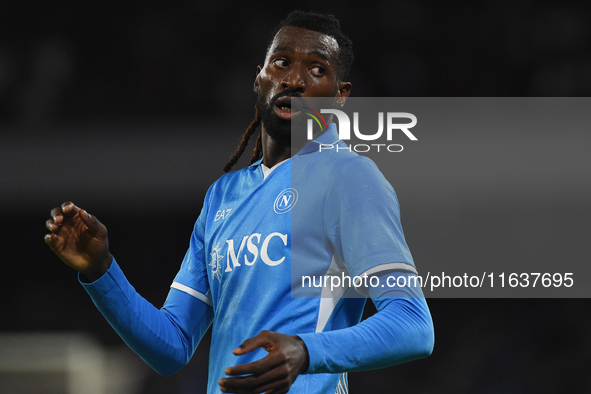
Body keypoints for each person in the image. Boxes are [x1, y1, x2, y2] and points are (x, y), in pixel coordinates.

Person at [45, 11, 434, 394]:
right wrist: (101, 271)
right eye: (281, 63)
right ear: (259, 78)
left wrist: (305, 350)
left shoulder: (348, 177)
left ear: (341, 95)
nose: (294, 80)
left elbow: (413, 326)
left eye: (316, 70)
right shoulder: (222, 197)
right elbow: (172, 346)